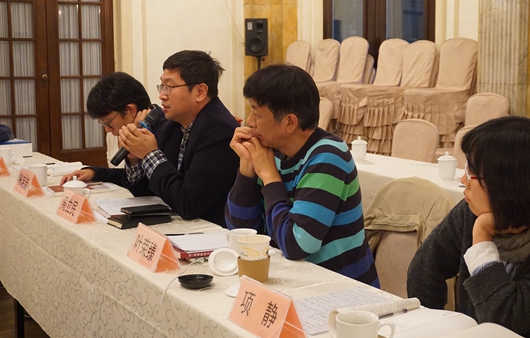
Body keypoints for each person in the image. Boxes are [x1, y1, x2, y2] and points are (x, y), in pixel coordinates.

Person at [407, 116, 530, 338]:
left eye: (471, 172)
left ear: (509, 185)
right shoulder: (472, 211)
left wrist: (482, 238)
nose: (463, 180)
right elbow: (424, 270)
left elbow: (504, 322)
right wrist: (433, 329)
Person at [225, 64, 379, 287]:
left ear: (289, 122)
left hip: (341, 289)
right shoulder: (271, 151)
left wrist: (269, 176)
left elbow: (297, 244)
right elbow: (240, 234)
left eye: (257, 114)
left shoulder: (328, 156)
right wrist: (247, 169)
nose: (249, 122)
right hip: (290, 280)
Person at [114, 50, 239, 226]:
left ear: (200, 92)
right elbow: (149, 193)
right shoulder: (173, 125)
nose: (161, 95)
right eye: (161, 87)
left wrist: (150, 154)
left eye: (169, 87)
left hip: (213, 233)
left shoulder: (218, 130)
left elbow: (188, 203)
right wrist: (135, 158)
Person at [60, 72, 170, 197]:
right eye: (102, 123)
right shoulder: (116, 132)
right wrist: (94, 172)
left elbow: (149, 190)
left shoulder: (168, 130)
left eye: (108, 123)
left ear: (130, 110)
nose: (107, 130)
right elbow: (125, 177)